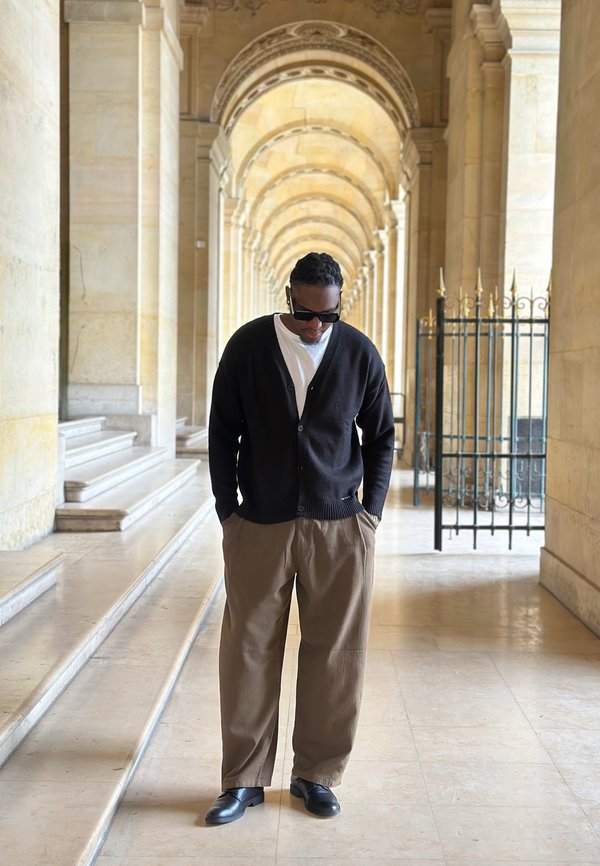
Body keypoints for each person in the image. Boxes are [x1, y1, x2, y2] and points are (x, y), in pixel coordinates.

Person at [205, 251, 395, 825]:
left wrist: (372, 514)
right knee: (247, 652)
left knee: (336, 655)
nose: (317, 326)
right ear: (290, 297)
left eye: (328, 316)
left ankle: (316, 774)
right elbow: (221, 432)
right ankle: (243, 779)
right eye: (307, 313)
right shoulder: (247, 346)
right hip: (258, 523)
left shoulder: (359, 352)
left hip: (339, 526)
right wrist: (227, 512)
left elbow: (382, 436)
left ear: (339, 306)